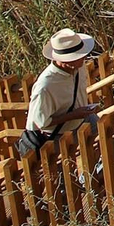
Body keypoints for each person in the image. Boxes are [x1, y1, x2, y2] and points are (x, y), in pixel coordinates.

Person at [17, 28, 101, 156]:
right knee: (67, 170)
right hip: (59, 134)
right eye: (79, 55)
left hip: (83, 119)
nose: (84, 57)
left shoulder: (79, 66)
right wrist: (73, 115)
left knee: (112, 144)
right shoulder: (45, 86)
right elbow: (41, 123)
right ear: (66, 61)